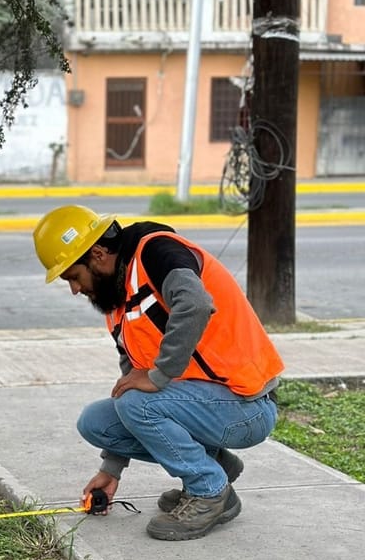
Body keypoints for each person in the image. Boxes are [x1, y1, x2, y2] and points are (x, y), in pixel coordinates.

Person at [33, 205, 284, 541]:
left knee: (139, 403)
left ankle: (209, 491)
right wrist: (111, 469)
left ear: (97, 254)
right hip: (205, 404)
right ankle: (217, 468)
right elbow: (130, 385)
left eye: (73, 277)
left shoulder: (156, 252)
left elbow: (195, 304)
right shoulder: (118, 304)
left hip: (246, 405)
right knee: (96, 421)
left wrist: (159, 374)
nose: (75, 289)